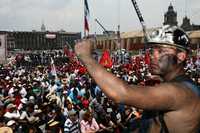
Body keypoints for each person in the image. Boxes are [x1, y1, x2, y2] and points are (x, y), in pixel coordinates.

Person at [75, 25, 200, 133]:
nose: (152, 55)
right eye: (152, 50)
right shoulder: (181, 87)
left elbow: (121, 93)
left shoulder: (179, 92)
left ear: (181, 56)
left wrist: (86, 56)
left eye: (161, 51)